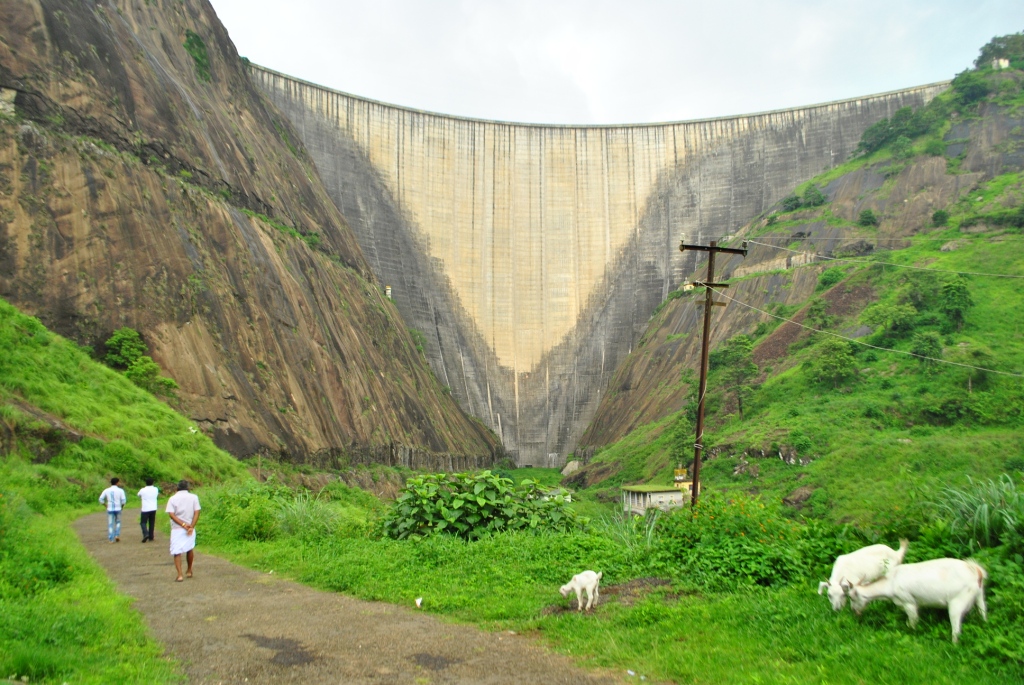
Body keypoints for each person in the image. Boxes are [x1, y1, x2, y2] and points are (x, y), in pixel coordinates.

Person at [166, 480, 201, 582]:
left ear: (177, 488)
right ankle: (189, 570)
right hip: (190, 527)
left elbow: (171, 515)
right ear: (188, 488)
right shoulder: (194, 497)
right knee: (189, 548)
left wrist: (183, 525)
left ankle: (180, 575)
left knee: (177, 551)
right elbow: (197, 513)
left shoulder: (172, 498)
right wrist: (191, 526)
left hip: (177, 528)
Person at [98, 477, 127, 543]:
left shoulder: (106, 490)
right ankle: (117, 535)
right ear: (117, 483)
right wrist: (122, 506)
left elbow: (101, 499)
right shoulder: (120, 490)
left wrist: (105, 505)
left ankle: (111, 539)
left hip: (110, 508)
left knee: (110, 523)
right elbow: (123, 501)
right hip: (118, 508)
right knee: (118, 522)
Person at [138, 477, 159, 543]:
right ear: (153, 482)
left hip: (145, 508)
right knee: (151, 522)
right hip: (153, 508)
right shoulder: (155, 489)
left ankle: (145, 533)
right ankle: (151, 536)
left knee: (143, 522)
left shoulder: (143, 490)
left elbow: (138, 495)